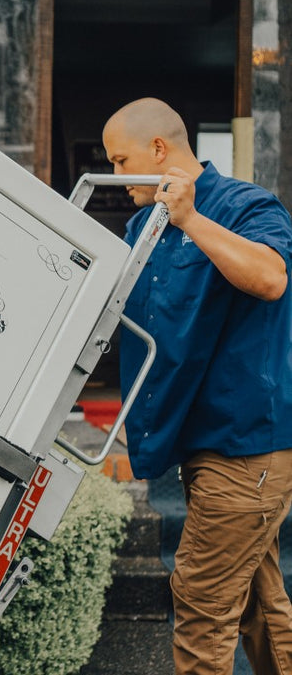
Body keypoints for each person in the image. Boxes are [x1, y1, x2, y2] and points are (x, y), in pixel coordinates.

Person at [103, 97, 292, 674]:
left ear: (159, 149)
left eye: (121, 160)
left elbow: (271, 278)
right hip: (196, 442)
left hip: (246, 445)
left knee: (202, 605)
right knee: (258, 604)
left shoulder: (245, 205)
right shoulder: (141, 225)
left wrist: (189, 218)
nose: (116, 175)